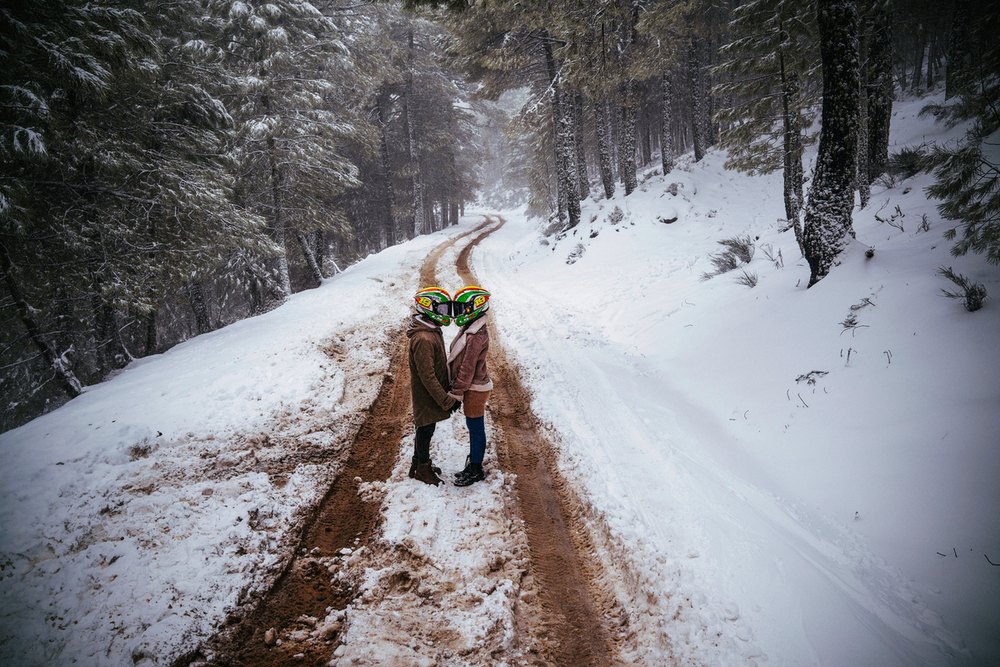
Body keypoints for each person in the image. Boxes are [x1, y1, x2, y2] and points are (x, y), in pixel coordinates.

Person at [407, 287, 461, 486]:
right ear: (430, 309)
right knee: (425, 430)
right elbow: (427, 376)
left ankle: (418, 464)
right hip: (427, 395)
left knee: (425, 429)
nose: (446, 314)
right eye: (443, 309)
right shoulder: (423, 338)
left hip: (430, 394)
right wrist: (447, 401)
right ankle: (423, 468)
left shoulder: (430, 330)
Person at [447, 286, 493, 486]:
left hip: (475, 388)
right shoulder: (471, 327)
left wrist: (456, 394)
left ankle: (476, 468)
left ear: (475, 307)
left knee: (475, 428)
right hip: (474, 386)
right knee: (474, 427)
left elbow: (467, 369)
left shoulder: (475, 335)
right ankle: (474, 461)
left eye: (463, 308)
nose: (459, 313)